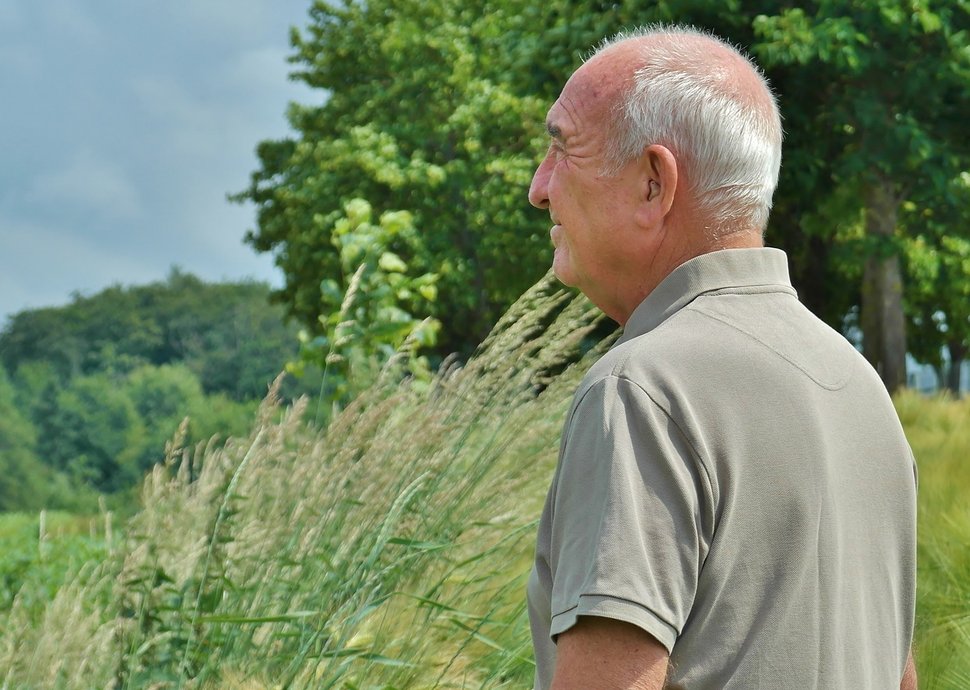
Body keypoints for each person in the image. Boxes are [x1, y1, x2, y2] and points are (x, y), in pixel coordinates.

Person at [526, 25, 918, 690]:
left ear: (654, 184)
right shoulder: (859, 386)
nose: (539, 188)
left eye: (562, 149)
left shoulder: (642, 389)